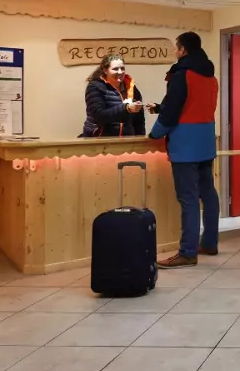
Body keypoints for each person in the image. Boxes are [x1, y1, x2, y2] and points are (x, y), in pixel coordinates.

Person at [148, 32, 220, 268]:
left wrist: (155, 133)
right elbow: (194, 105)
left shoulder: (181, 74)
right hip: (206, 141)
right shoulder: (211, 76)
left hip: (185, 144)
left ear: (183, 50)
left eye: (176, 47)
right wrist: (161, 107)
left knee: (188, 199)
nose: (175, 51)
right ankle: (209, 243)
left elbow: (172, 112)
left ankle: (188, 252)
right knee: (208, 194)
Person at [81, 55, 145, 137]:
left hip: (127, 139)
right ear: (105, 70)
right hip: (99, 139)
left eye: (122, 68)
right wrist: (126, 108)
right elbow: (99, 116)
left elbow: (139, 119)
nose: (120, 72)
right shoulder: (95, 87)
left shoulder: (131, 87)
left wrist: (140, 138)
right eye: (115, 69)